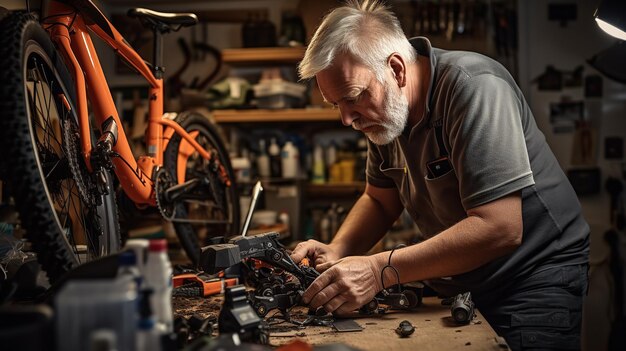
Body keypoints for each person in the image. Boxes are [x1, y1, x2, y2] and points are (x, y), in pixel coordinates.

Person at [290, 1, 589, 349]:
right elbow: (380, 199)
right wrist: (337, 250)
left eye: (353, 97)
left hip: (532, 275)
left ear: (397, 69)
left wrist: (378, 270)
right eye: (335, 104)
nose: (346, 119)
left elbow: (501, 227)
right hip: (464, 278)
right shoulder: (386, 114)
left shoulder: (475, 87)